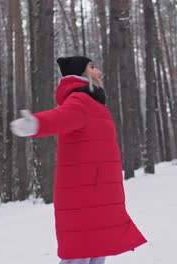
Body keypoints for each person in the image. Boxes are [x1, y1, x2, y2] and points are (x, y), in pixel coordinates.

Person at [10, 56, 147, 264]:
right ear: (80, 73)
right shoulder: (80, 101)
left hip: (99, 192)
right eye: (92, 67)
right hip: (86, 194)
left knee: (97, 248)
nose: (98, 71)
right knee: (80, 252)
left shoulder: (93, 102)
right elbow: (60, 118)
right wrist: (36, 124)